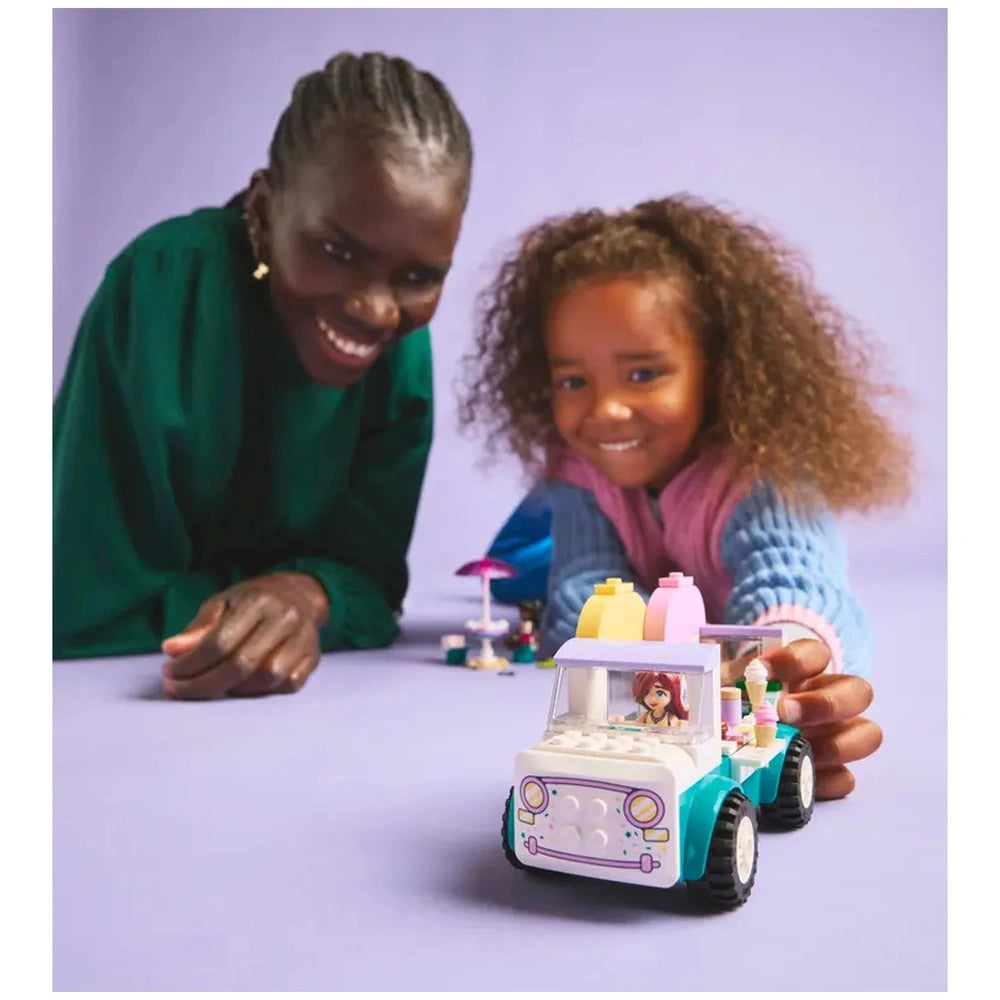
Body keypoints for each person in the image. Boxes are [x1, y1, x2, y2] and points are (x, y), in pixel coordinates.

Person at [458, 195, 912, 799]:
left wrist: (784, 661)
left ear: (718, 370)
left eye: (643, 373)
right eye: (573, 380)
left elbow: (798, 576)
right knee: (526, 571)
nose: (605, 410)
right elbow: (582, 586)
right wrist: (667, 662)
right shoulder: (580, 471)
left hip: (712, 627)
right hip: (650, 606)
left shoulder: (764, 468)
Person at [53, 52, 473, 699]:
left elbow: (370, 587)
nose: (377, 308)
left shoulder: (398, 352)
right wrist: (275, 604)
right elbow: (76, 602)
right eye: (337, 251)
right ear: (262, 209)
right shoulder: (164, 285)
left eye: (419, 277)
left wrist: (301, 595)